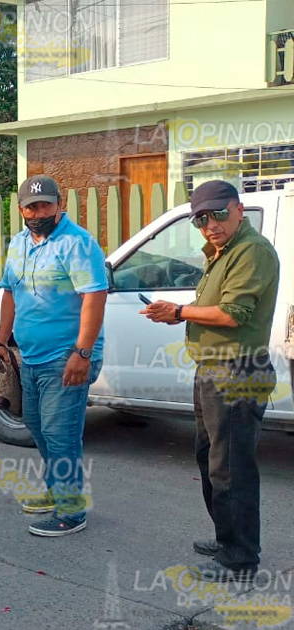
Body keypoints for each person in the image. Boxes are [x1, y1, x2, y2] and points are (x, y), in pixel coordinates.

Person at [141, 180, 278, 582]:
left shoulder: (251, 251)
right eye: (201, 219)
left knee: (230, 467)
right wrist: (178, 313)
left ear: (238, 210)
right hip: (213, 370)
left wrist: (179, 311)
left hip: (236, 371)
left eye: (218, 214)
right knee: (211, 460)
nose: (210, 225)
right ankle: (228, 539)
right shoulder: (222, 252)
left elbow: (233, 313)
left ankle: (239, 559)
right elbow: (213, 307)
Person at [0, 175, 107, 537]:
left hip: (66, 355)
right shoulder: (19, 243)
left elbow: (94, 297)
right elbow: (9, 293)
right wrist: (1, 341)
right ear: (21, 209)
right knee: (38, 427)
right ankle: (58, 491)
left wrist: (82, 352)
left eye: (45, 205)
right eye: (31, 207)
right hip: (31, 356)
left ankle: (71, 512)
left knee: (60, 435)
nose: (38, 212)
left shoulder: (77, 243)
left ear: (60, 205)